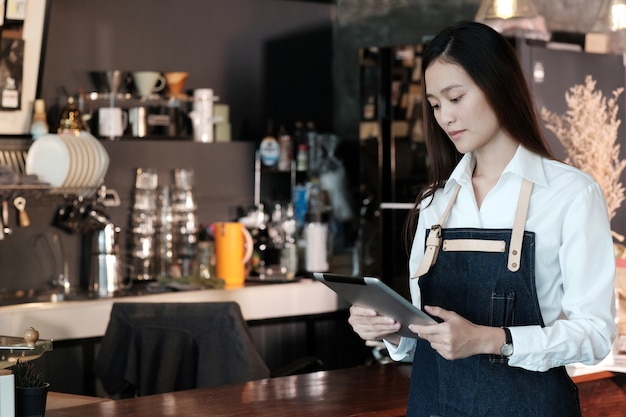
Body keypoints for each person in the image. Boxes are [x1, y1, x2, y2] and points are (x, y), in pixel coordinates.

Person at [348, 21, 616, 417]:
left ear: (498, 86)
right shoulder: (434, 204)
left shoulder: (570, 194)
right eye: (436, 105)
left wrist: (489, 340)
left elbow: (595, 335)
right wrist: (392, 330)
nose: (445, 117)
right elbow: (427, 331)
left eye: (456, 97)